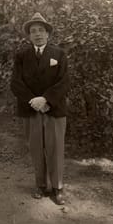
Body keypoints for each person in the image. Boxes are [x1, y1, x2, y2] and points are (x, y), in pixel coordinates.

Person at [11, 12, 69, 205]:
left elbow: (65, 82)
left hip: (54, 109)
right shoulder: (21, 56)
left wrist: (45, 99)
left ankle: (58, 188)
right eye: (33, 31)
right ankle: (41, 185)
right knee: (36, 149)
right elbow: (16, 83)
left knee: (56, 148)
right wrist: (33, 101)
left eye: (41, 30)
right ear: (29, 36)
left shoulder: (59, 54)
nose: (37, 34)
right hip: (31, 110)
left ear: (48, 34)